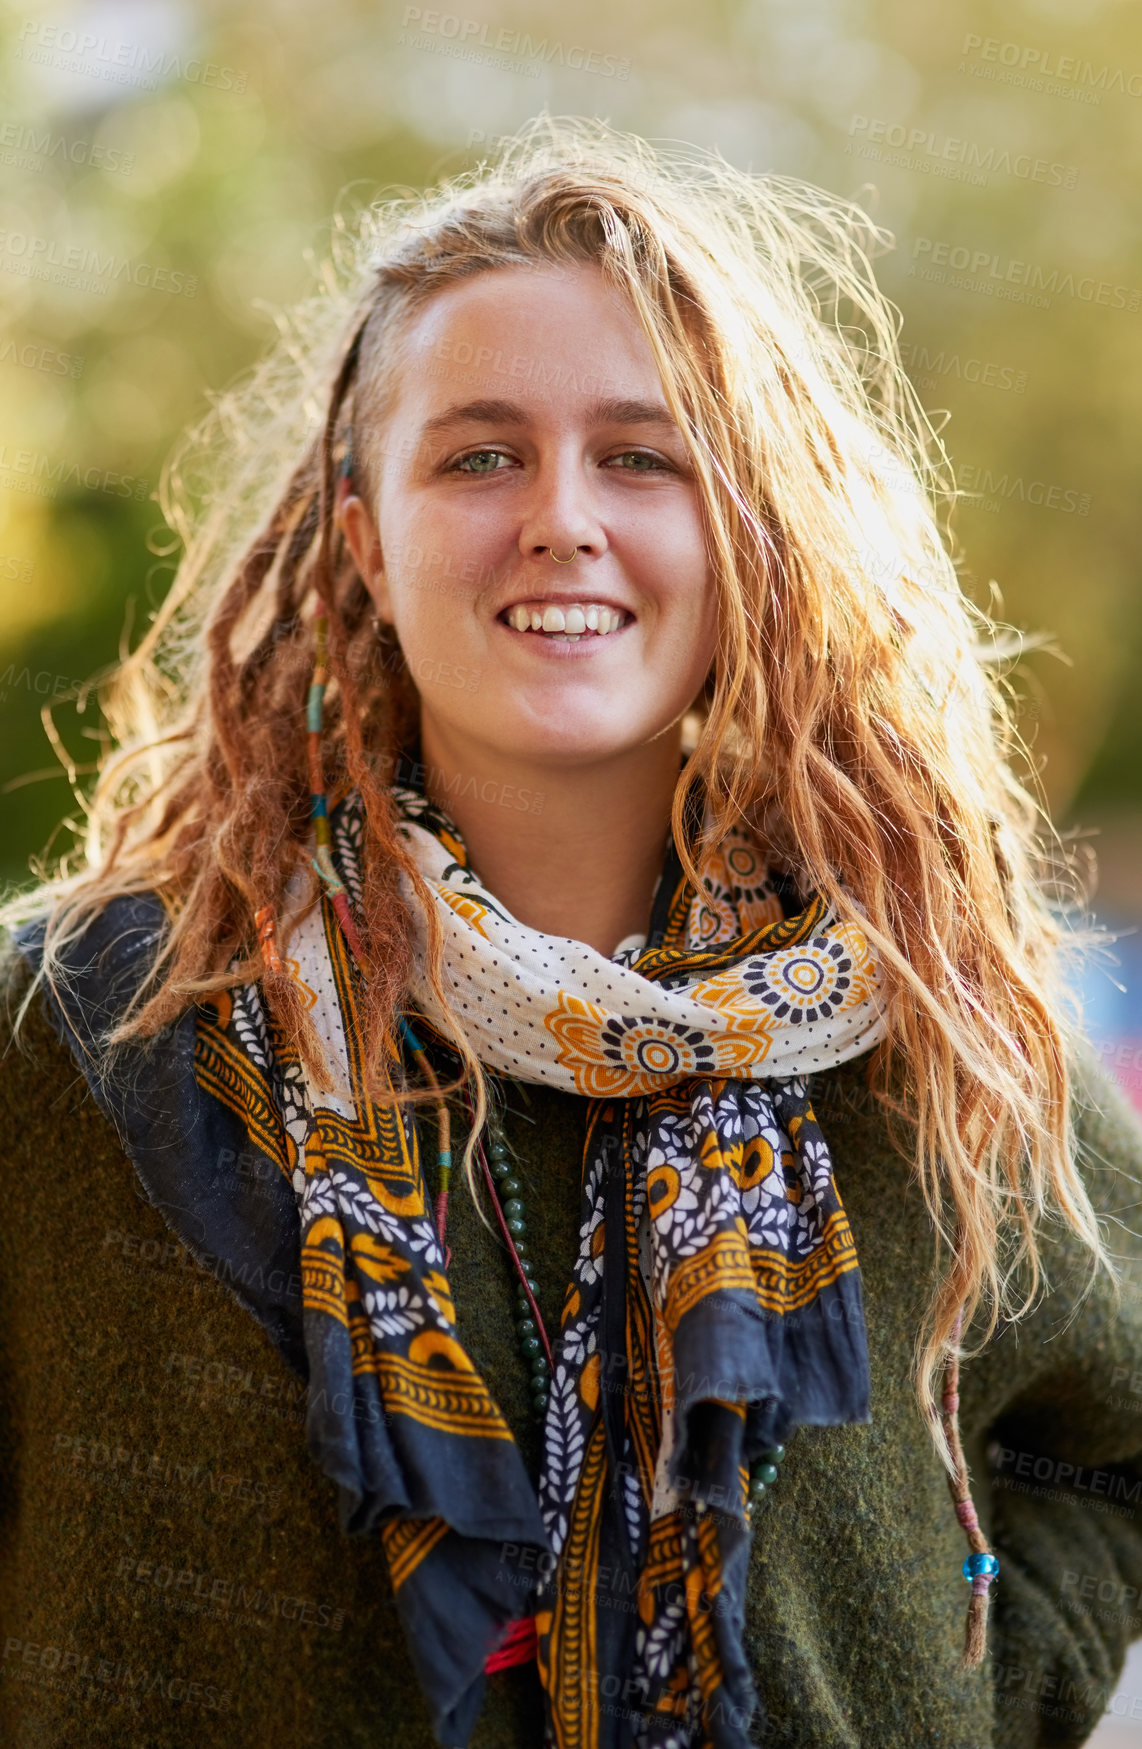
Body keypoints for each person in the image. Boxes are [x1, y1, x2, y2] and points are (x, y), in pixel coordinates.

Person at [1, 115, 1140, 1749]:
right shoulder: (83, 1019)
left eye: (640, 453)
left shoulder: (935, 1033)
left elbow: (1110, 1447)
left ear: (740, 527)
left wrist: (962, 1692)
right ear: (360, 530)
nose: (560, 517)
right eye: (476, 453)